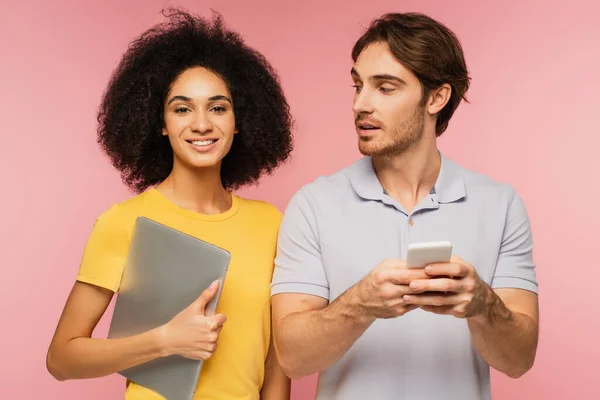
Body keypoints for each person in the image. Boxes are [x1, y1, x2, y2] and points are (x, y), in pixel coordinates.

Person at [271, 12, 538, 400]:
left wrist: (482, 304)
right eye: (358, 85)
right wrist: (359, 304)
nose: (360, 104)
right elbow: (292, 358)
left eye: (385, 88)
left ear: (436, 98)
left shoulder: (501, 205)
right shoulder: (312, 205)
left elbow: (520, 359)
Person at [47, 8, 292, 400]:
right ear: (159, 122)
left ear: (238, 120)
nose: (201, 124)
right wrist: (165, 341)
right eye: (182, 108)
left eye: (218, 107)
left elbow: (275, 359)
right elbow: (61, 359)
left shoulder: (271, 224)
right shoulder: (124, 222)